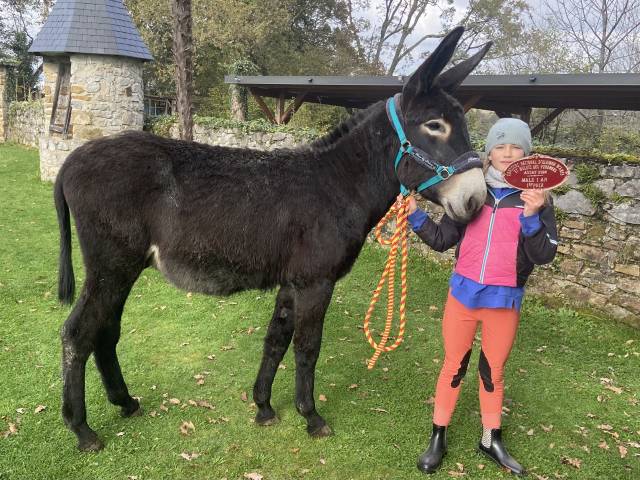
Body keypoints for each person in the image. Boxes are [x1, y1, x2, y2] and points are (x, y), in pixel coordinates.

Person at [407, 118, 558, 476]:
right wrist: (415, 217)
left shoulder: (536, 199)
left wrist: (533, 216)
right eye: (500, 146)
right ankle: (438, 435)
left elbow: (544, 255)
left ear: (527, 153)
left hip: (504, 301)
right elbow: (443, 240)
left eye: (515, 146)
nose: (507, 153)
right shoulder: (470, 191)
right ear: (489, 151)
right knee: (453, 365)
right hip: (462, 295)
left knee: (493, 372)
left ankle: (491, 438)